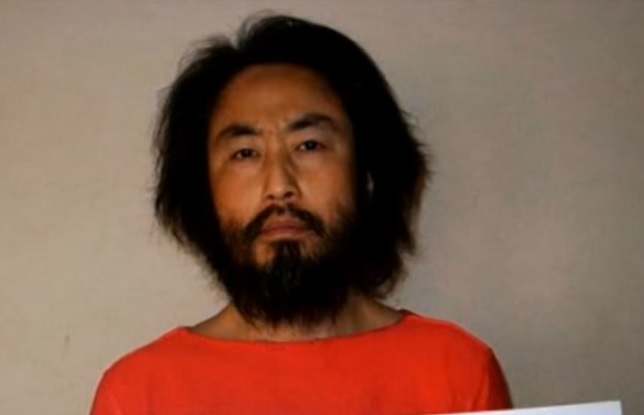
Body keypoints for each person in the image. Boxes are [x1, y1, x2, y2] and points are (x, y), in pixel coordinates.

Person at [90, 14, 512, 415]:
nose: (279, 185)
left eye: (309, 146)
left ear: (367, 175)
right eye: (245, 153)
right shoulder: (141, 393)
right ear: (204, 192)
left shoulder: (456, 370)